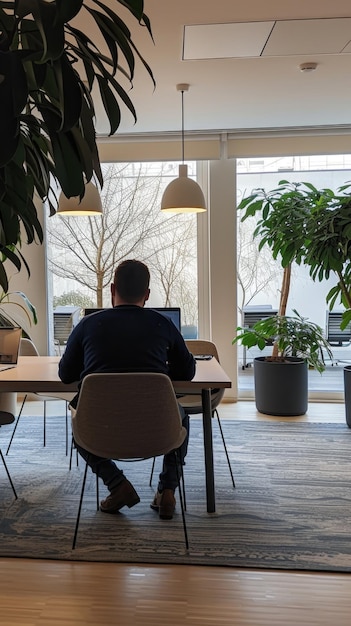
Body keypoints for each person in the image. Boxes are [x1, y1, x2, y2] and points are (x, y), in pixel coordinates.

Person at [59, 259, 196, 520]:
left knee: (79, 424)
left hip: (99, 429)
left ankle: (117, 485)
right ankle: (167, 491)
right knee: (183, 418)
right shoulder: (163, 324)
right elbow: (188, 372)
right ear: (147, 295)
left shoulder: (87, 326)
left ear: (112, 290)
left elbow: (65, 375)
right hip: (157, 427)